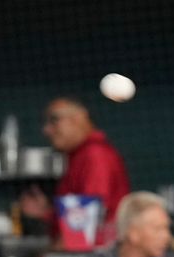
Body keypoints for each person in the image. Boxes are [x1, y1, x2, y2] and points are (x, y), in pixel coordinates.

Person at [19, 97, 130, 248]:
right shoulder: (80, 155)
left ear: (79, 118)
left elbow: (83, 224)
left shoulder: (95, 155)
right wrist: (47, 213)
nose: (47, 130)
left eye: (54, 120)